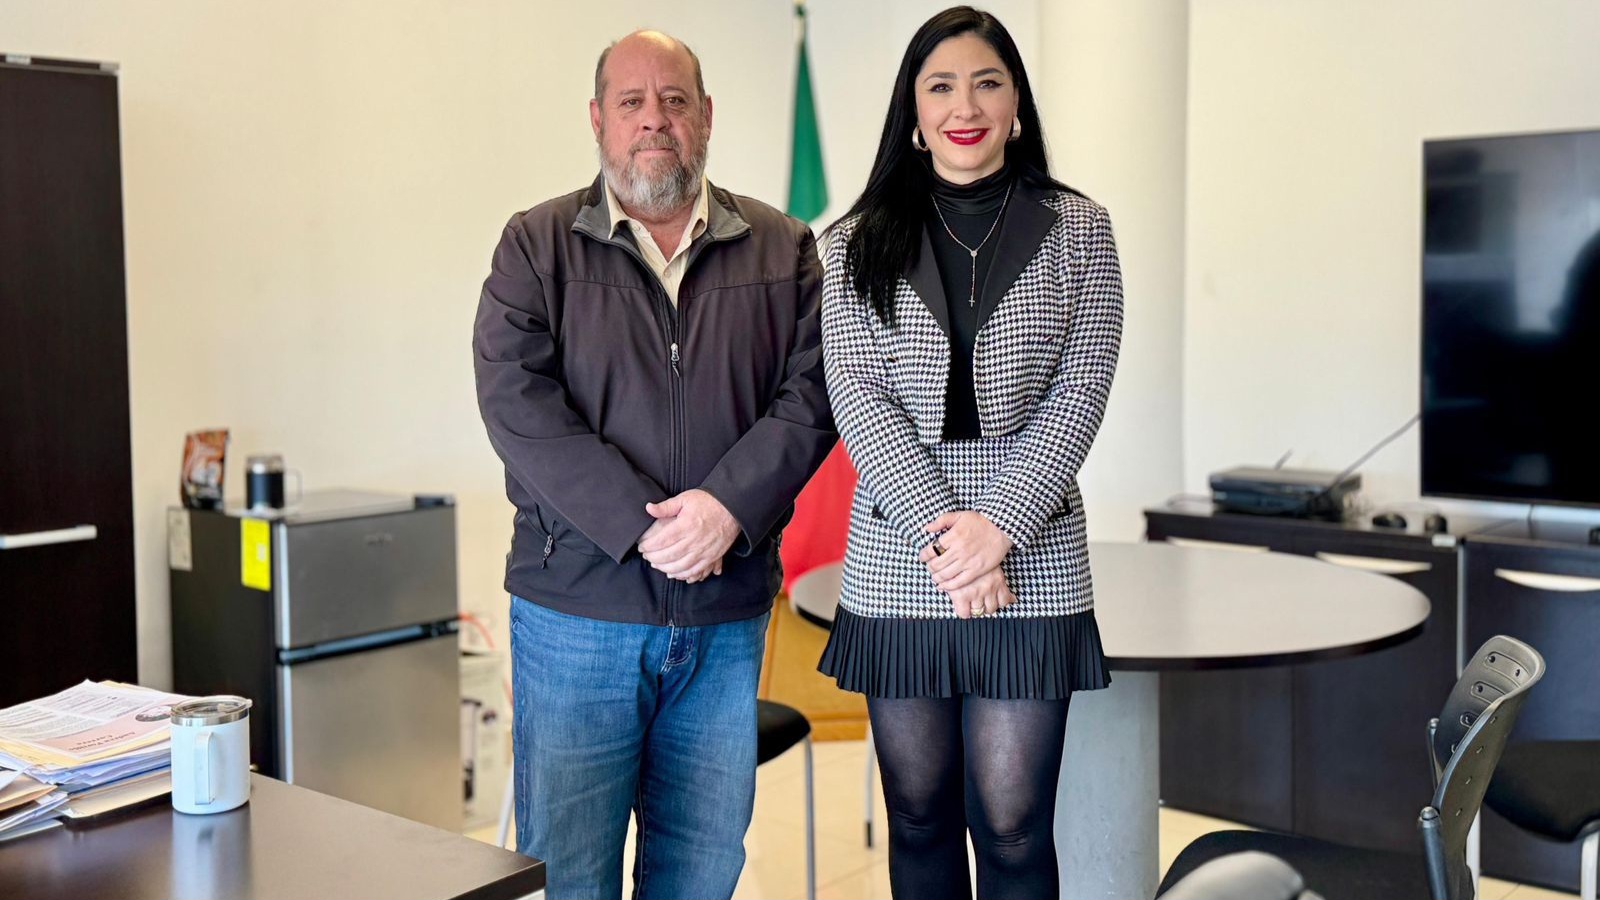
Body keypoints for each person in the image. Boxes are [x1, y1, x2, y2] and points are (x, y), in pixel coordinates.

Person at [472, 29, 834, 900]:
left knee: (701, 873)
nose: (653, 120)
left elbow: (815, 395)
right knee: (573, 875)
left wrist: (726, 510)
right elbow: (517, 402)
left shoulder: (784, 247)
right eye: (631, 102)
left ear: (705, 117)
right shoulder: (536, 245)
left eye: (674, 101)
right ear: (598, 119)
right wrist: (647, 530)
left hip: (724, 613)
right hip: (577, 615)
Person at [816, 7, 1124, 899]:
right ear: (913, 111)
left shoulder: (1080, 230)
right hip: (901, 553)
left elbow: (1081, 390)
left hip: (1033, 555)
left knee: (1015, 826)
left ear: (1016, 104)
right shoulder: (850, 243)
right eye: (941, 86)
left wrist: (999, 530)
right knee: (916, 816)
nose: (966, 105)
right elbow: (858, 397)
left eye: (987, 83)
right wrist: (951, 539)